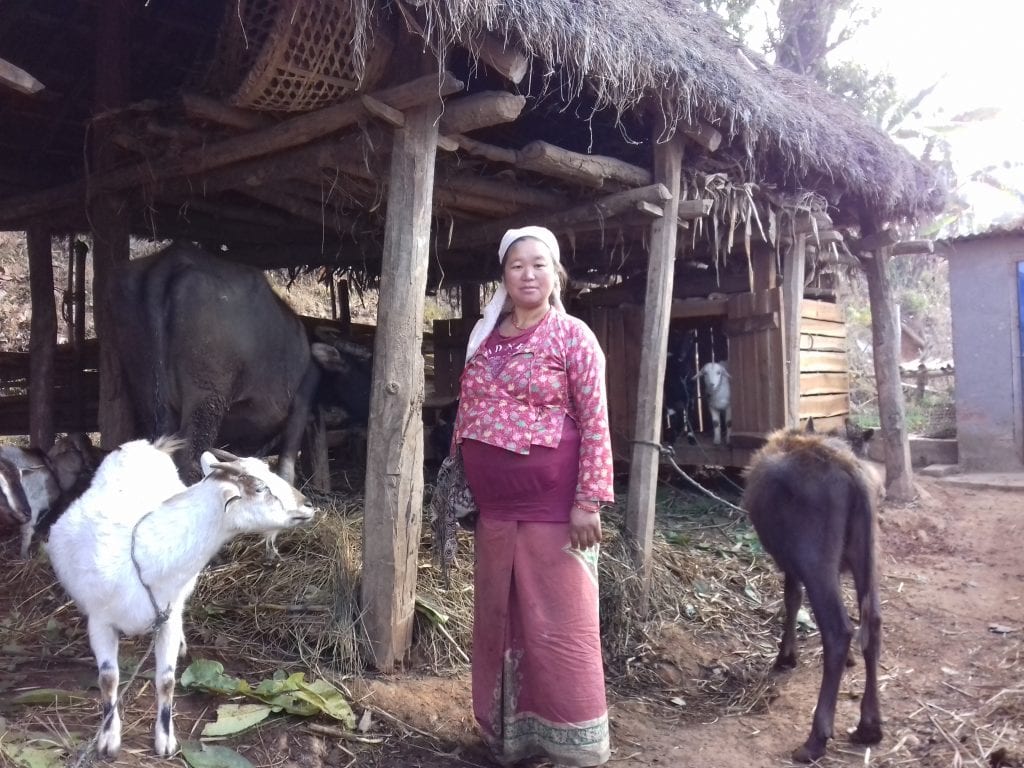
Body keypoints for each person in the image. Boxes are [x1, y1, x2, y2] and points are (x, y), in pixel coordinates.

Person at [452, 226, 615, 767]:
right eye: (517, 265)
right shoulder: (484, 338)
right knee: (499, 623)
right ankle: (510, 739)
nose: (528, 274)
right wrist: (458, 490)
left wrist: (589, 499)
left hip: (554, 513)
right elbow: (465, 416)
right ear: (503, 275)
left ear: (556, 275)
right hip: (496, 513)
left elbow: (595, 422)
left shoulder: (573, 336)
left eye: (539, 265)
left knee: (559, 627)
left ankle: (573, 746)